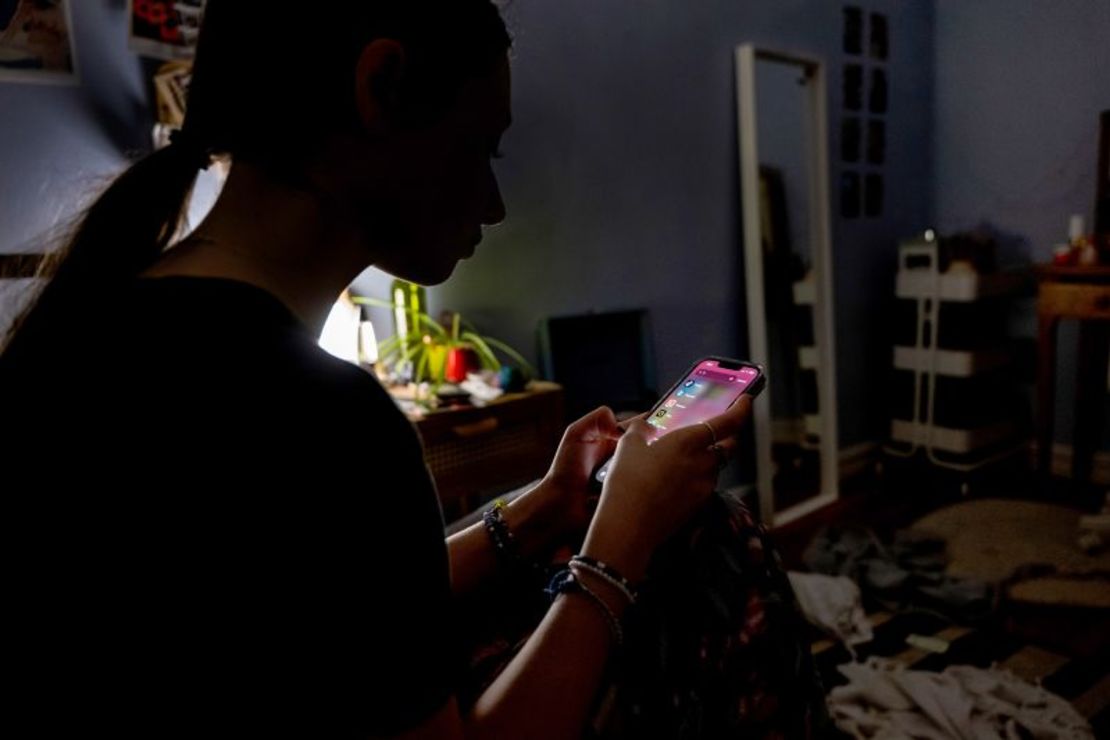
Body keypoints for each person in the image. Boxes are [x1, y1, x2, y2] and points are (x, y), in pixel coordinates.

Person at [0, 2, 753, 738]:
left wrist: (546, 508)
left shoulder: (80, 333)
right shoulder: (320, 421)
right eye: (482, 147)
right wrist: (621, 540)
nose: (492, 206)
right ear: (382, 87)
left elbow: (336, 612)